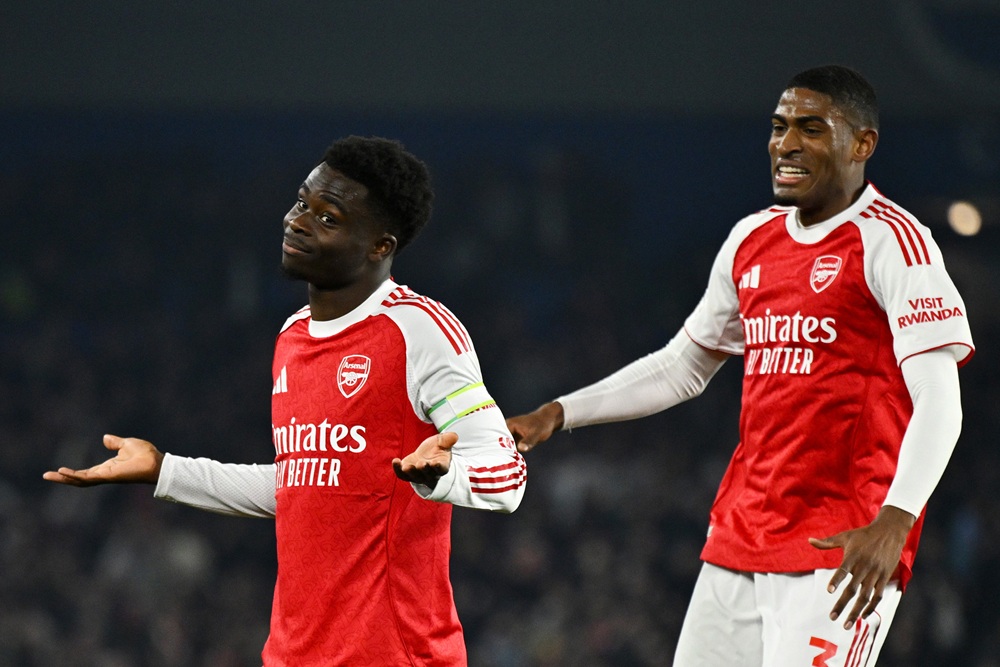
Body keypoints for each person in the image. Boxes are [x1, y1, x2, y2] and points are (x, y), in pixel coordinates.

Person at [507, 65, 973, 666]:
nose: (786, 144)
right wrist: (556, 414)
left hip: (843, 546)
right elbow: (683, 366)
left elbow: (942, 402)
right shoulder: (752, 239)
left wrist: (896, 521)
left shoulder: (893, 242)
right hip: (739, 539)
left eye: (811, 128)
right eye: (779, 127)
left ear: (863, 144)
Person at [44, 136, 527, 666]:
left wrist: (444, 476)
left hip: (393, 656)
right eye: (302, 203)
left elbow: (508, 475)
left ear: (380, 246)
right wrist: (165, 471)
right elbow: (303, 488)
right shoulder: (292, 337)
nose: (298, 221)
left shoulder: (419, 331)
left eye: (329, 217)